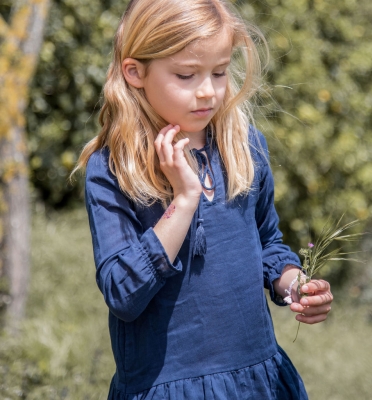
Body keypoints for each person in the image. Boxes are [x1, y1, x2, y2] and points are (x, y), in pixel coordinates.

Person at [74, 0, 333, 398]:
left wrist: (293, 285)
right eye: (186, 75)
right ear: (135, 72)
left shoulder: (243, 146)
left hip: (258, 383)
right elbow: (122, 293)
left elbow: (267, 244)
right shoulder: (112, 168)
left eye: (219, 72)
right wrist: (185, 198)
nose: (208, 92)